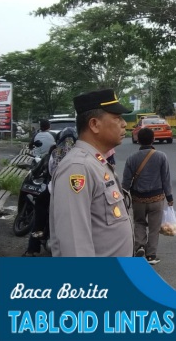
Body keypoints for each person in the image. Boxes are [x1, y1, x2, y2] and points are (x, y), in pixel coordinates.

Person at [49, 89, 133, 256]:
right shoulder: (78, 167)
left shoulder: (96, 162)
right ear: (94, 124)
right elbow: (75, 246)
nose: (124, 124)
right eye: (117, 118)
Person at [23, 127, 78, 257]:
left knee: (39, 212)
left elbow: (51, 172)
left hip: (55, 191)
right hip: (77, 193)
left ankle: (32, 248)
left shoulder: (54, 152)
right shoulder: (81, 153)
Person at [122, 127, 173, 265]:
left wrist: (123, 198)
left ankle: (139, 247)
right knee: (154, 227)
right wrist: (169, 197)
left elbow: (126, 182)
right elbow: (165, 179)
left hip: (138, 199)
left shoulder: (131, 158)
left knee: (139, 223)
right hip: (156, 198)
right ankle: (151, 255)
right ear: (153, 139)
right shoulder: (161, 156)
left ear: (138, 140)